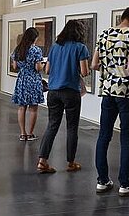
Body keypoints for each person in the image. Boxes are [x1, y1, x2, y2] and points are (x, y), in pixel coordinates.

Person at [91, 6, 129, 197]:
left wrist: (112, 70)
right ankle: (124, 183)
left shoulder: (104, 34)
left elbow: (94, 65)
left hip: (107, 91)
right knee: (126, 138)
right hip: (126, 93)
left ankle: (102, 181)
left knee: (104, 136)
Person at [37, 20, 90, 174]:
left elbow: (47, 70)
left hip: (53, 92)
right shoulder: (81, 48)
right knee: (72, 127)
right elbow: (85, 72)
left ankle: (42, 161)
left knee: (52, 125)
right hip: (71, 92)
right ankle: (71, 162)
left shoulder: (54, 47)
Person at [10, 27, 43, 141]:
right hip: (33, 79)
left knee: (21, 107)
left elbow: (14, 67)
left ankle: (22, 133)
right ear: (34, 38)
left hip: (21, 79)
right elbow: (38, 67)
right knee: (33, 108)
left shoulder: (18, 49)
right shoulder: (36, 50)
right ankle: (30, 133)